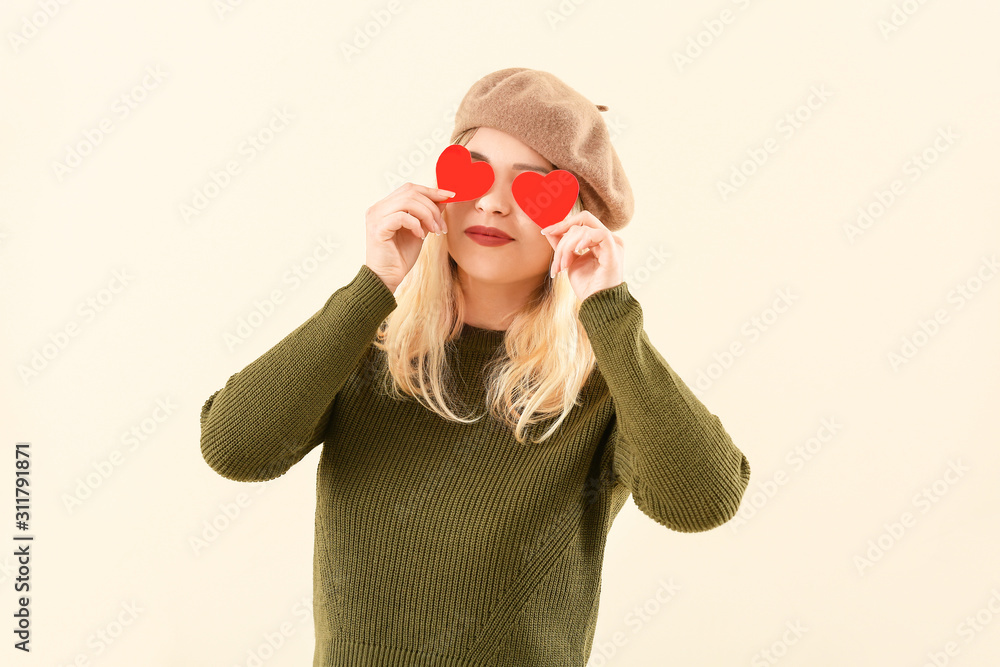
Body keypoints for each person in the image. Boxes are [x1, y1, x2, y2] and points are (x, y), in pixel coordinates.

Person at [200, 67, 751, 667]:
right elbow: (235, 449)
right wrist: (373, 286)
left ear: (576, 222)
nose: (491, 201)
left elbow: (702, 502)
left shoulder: (602, 388)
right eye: (476, 172)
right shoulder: (365, 351)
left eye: (536, 186)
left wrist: (609, 311)